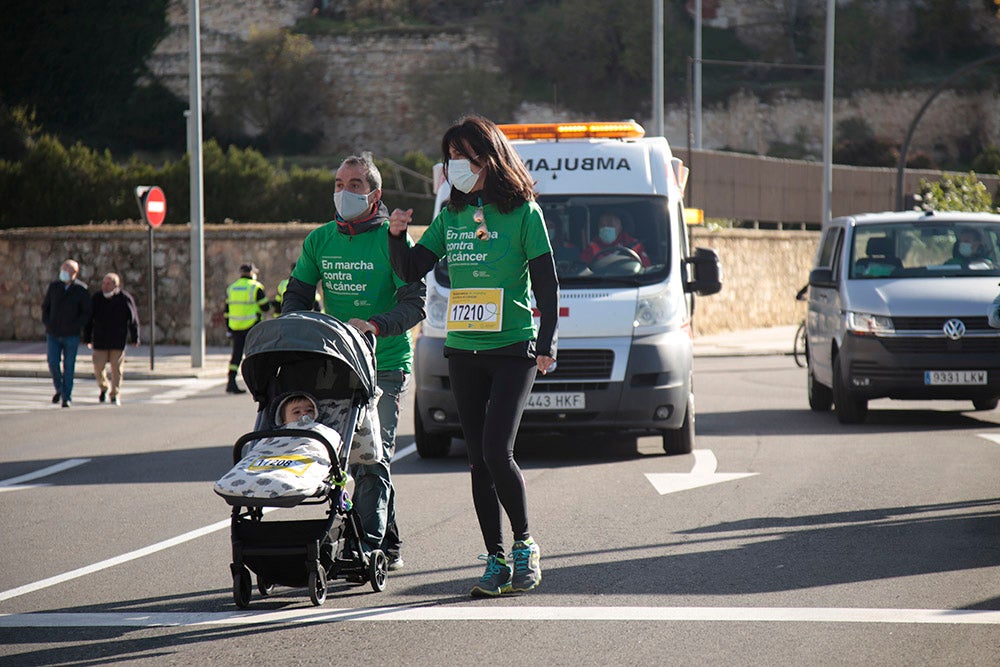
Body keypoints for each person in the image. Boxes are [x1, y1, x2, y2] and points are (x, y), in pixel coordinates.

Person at [387, 115, 558, 597]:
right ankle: (496, 560)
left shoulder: (524, 212)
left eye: (462, 155)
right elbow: (412, 269)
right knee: (477, 462)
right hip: (462, 348)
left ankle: (525, 547)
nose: (454, 164)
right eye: (450, 156)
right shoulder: (452, 216)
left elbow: (547, 281)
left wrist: (547, 341)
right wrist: (398, 237)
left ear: (489, 158)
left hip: (512, 348)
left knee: (495, 450)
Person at [280, 153, 426, 570]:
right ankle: (386, 539)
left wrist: (376, 325)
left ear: (375, 194)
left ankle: (365, 546)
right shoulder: (320, 240)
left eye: (356, 185)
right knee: (351, 457)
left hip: (386, 363)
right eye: (339, 184)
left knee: (372, 456)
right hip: (337, 361)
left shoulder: (394, 240)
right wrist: (294, 327)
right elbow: (298, 295)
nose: (344, 191)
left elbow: (415, 306)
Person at [82, 272, 140, 405]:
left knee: (117, 369)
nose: (105, 286)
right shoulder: (96, 298)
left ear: (116, 285)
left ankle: (115, 393)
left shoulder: (124, 298)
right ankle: (103, 387)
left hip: (117, 340)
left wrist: (135, 337)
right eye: (104, 283)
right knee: (98, 367)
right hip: (100, 340)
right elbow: (89, 319)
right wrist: (87, 338)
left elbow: (133, 319)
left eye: (108, 284)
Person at [41, 259, 92, 408]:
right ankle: (60, 389)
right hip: (53, 334)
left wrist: (76, 325)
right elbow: (46, 307)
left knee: (69, 366)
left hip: (71, 334)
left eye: (67, 270)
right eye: (62, 268)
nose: (63, 272)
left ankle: (66, 396)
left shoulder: (81, 290)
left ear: (74, 273)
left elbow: (86, 313)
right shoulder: (54, 287)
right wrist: (48, 323)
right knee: (53, 363)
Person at [224, 263, 270, 394]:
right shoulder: (255, 287)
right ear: (251, 273)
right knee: (254, 355)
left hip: (235, 327)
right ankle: (257, 385)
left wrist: (228, 327)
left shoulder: (232, 288)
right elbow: (265, 307)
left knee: (236, 355)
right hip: (252, 326)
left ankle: (231, 382)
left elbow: (226, 311)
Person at [579, 212, 651, 267]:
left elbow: (645, 269)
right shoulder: (592, 247)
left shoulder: (635, 246)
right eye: (602, 225)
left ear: (620, 227)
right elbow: (583, 269)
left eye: (610, 224)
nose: (605, 228)